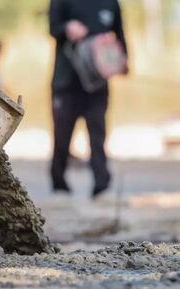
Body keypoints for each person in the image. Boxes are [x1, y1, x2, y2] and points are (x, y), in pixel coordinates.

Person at [48, 0, 128, 198]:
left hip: (97, 84)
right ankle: (60, 185)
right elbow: (52, 27)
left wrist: (123, 59)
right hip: (66, 82)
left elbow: (120, 34)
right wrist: (67, 27)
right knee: (62, 136)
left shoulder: (111, 3)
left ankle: (101, 186)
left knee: (98, 135)